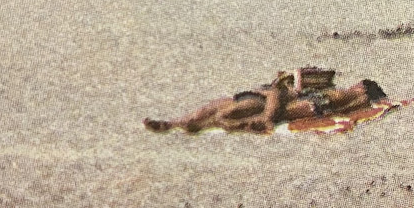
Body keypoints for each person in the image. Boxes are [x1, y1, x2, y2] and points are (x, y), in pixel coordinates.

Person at [144, 70, 388, 135]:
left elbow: (365, 104)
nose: (355, 85)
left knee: (224, 112)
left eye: (359, 85)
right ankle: (176, 123)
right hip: (262, 96)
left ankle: (183, 124)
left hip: (265, 98)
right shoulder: (340, 93)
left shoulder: (357, 95)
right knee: (216, 110)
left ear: (363, 87)